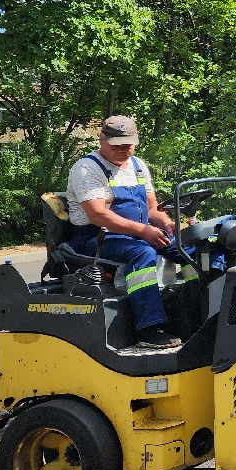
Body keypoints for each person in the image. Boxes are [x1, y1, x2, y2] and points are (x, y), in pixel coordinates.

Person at [65, 116, 181, 349]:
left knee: (190, 248)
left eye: (127, 144)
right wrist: (143, 231)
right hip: (95, 239)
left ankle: (195, 313)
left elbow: (151, 208)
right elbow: (98, 215)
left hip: (136, 233)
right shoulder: (87, 169)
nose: (122, 149)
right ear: (102, 140)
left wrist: (168, 224)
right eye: (116, 144)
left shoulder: (138, 165)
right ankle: (148, 328)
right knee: (141, 253)